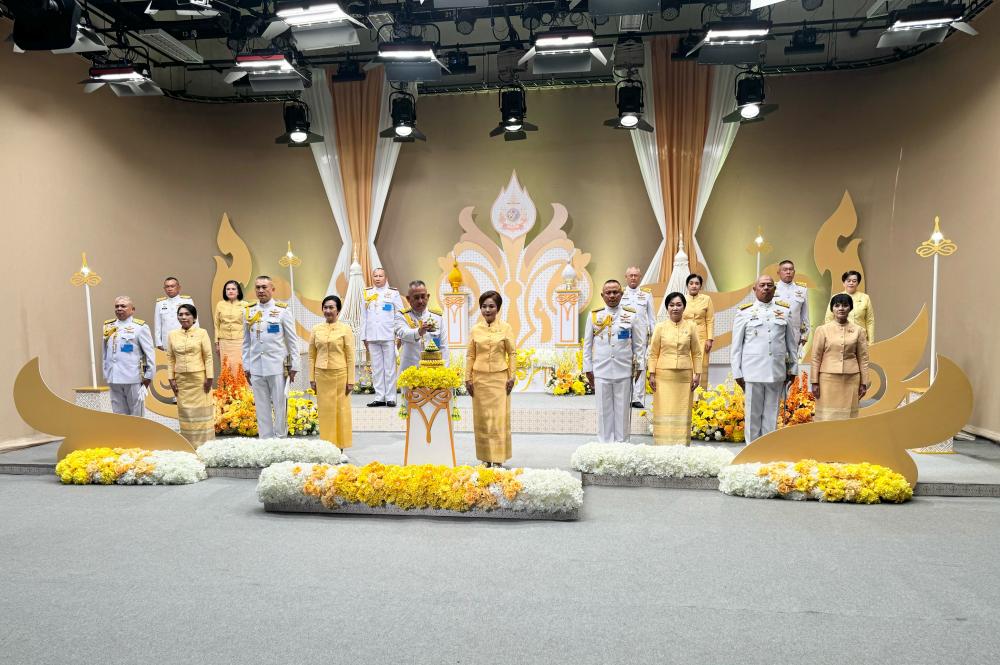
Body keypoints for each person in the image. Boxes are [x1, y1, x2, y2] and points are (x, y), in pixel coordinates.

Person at [731, 275, 797, 444]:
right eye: (762, 285)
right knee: (752, 413)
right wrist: (737, 372)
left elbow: (791, 343)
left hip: (776, 370)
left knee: (771, 413)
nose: (766, 288)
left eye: (769, 285)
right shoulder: (744, 313)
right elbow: (736, 347)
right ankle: (751, 449)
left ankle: (767, 448)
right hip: (752, 371)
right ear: (755, 289)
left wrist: (793, 368)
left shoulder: (784, 311)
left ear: (775, 289)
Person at [583, 280, 644, 443]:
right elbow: (587, 345)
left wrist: (640, 366)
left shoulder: (631, 315)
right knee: (603, 410)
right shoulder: (594, 316)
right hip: (601, 370)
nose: (612, 296)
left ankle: (621, 443)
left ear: (621, 294)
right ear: (602, 295)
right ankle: (605, 444)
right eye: (608, 293)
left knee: (622, 409)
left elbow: (638, 344)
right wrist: (588, 368)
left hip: (623, 369)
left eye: (615, 292)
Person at [242, 276, 299, 438]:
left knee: (280, 405)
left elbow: (292, 341)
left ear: (272, 289)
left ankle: (280, 437)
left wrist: (294, 365)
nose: (261, 290)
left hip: (277, 366)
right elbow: (246, 342)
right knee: (261, 406)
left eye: (264, 287)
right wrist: (246, 366)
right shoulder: (248, 311)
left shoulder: (282, 311)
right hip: (256, 366)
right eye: (258, 287)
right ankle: (265, 439)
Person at [465, 291, 516, 468]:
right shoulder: (475, 329)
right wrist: (467, 378)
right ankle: (485, 459)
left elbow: (512, 353)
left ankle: (498, 459)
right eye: (484, 306)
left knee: (498, 420)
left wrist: (512, 376)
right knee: (482, 420)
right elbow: (470, 355)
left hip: (500, 379)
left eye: (491, 306)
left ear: (498, 308)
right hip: (479, 380)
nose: (487, 310)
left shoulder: (506, 328)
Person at [648, 292, 702, 445]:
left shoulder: (691, 327)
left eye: (679, 305)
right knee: (664, 410)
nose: (675, 308)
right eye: (671, 305)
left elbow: (697, 353)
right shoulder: (660, 327)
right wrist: (651, 374)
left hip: (684, 377)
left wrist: (698, 374)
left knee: (682, 410)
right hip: (663, 376)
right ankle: (662, 444)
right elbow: (653, 353)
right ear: (667, 308)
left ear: (684, 307)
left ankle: (681, 444)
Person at [811, 294, 870, 421]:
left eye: (845, 305)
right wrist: (814, 381)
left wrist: (864, 383)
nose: (841, 308)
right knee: (827, 417)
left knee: (848, 418)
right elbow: (816, 357)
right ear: (832, 309)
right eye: (837, 305)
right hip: (827, 379)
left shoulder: (859, 331)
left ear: (850, 308)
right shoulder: (822, 330)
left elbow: (863, 358)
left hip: (851, 379)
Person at [309, 295, 355, 449]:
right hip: (321, 376)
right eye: (325, 307)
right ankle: (327, 447)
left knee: (341, 411)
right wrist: (312, 378)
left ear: (338, 310)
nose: (328, 310)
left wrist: (351, 380)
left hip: (340, 375)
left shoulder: (345, 329)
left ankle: (340, 447)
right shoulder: (316, 329)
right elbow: (311, 356)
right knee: (325, 412)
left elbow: (350, 357)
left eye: (331, 307)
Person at [166, 304, 215, 446]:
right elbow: (170, 358)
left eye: (187, 314)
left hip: (200, 379)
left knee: (201, 413)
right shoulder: (172, 335)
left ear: (194, 317)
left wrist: (209, 377)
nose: (183, 317)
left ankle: (206, 445)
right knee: (186, 413)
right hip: (181, 380)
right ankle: (189, 445)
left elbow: (208, 356)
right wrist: (171, 378)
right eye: (180, 314)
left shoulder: (202, 333)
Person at [102, 296, 155, 416]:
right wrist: (106, 373)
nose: (119, 308)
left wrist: (148, 378)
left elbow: (150, 354)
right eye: (117, 306)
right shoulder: (108, 326)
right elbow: (105, 352)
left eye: (123, 306)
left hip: (133, 378)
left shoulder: (140, 327)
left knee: (136, 415)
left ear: (132, 310)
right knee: (118, 415)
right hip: (114, 377)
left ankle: (138, 430)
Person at [361, 268, 404, 407]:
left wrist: (399, 335)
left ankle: (391, 397)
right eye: (375, 276)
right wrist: (364, 337)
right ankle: (379, 397)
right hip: (372, 336)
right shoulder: (367, 293)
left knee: (390, 368)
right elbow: (363, 316)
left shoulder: (393, 293)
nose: (378, 278)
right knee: (377, 368)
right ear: (372, 278)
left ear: (386, 278)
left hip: (388, 335)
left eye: (380, 276)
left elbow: (400, 315)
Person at [395, 280, 448, 373]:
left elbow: (443, 347)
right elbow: (403, 333)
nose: (420, 301)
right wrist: (419, 332)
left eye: (423, 297)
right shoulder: (401, 316)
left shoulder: (437, 317)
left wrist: (444, 371)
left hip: (432, 372)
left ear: (428, 297)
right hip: (409, 372)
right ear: (408, 299)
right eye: (416, 298)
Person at [621, 266, 655, 409]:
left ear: (640, 277)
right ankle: (625, 396)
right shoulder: (620, 293)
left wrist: (654, 336)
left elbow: (652, 318)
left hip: (641, 333)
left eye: (636, 275)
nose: (633, 278)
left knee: (641, 362)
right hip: (624, 332)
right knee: (624, 362)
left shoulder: (646, 294)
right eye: (631, 275)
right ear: (626, 277)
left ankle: (638, 398)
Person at [682, 273, 714, 389]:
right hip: (685, 336)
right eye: (691, 283)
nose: (694, 286)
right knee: (687, 363)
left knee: (701, 365)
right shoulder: (682, 299)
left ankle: (700, 396)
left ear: (700, 286)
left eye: (697, 283)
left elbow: (710, 320)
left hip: (702, 337)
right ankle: (686, 394)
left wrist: (709, 339)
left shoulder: (707, 299)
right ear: (687, 285)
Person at [826, 270, 875, 343]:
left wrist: (871, 342)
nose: (851, 283)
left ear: (858, 283)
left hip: (860, 338)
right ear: (843, 283)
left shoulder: (865, 298)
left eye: (854, 281)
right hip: (840, 338)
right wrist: (831, 338)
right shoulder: (836, 297)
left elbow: (870, 321)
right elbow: (829, 319)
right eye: (848, 281)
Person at [775, 259, 811, 351]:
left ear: (794, 272)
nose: (788, 272)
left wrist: (805, 335)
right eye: (785, 269)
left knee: (793, 359)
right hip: (776, 332)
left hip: (795, 333)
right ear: (778, 273)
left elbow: (805, 314)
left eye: (791, 269)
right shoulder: (773, 288)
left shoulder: (802, 289)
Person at [214, 279, 248, 374]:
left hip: (240, 341)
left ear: (238, 291)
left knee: (239, 367)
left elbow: (248, 325)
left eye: (233, 289)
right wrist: (216, 343)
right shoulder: (220, 305)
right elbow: (216, 324)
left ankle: (241, 384)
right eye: (228, 289)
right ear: (225, 292)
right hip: (224, 342)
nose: (230, 291)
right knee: (226, 367)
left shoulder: (245, 305)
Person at [154, 276, 195, 351]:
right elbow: (157, 325)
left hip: (184, 340)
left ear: (179, 287)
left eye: (172, 286)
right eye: (167, 286)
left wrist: (194, 339)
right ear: (164, 289)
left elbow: (195, 322)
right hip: (167, 342)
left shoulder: (187, 301)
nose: (169, 289)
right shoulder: (160, 303)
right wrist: (158, 343)